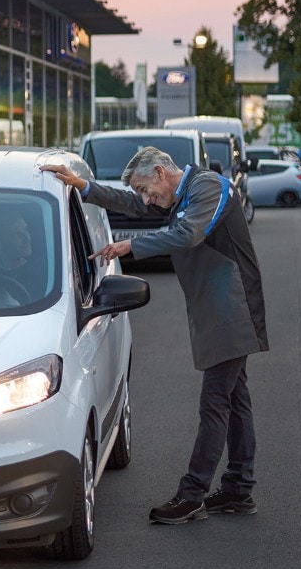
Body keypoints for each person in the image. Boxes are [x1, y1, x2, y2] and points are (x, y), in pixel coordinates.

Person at [41, 147, 268, 525]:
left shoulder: (209, 188)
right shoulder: (182, 194)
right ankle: (238, 489)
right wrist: (85, 186)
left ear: (162, 173)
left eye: (148, 189)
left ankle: (193, 494)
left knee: (216, 403)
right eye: (144, 193)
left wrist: (132, 246)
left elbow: (188, 233)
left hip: (234, 310)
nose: (148, 199)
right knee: (234, 398)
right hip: (219, 310)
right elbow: (131, 203)